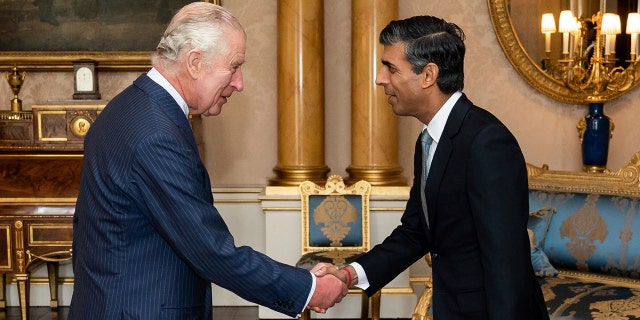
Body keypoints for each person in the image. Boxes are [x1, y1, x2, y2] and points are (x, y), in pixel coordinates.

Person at [68, 3, 346, 319]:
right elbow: (210, 251)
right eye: (234, 66)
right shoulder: (155, 134)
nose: (239, 83)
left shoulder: (129, 107)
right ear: (196, 62)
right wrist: (309, 288)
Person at [316, 16, 549, 319]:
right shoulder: (428, 139)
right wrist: (348, 274)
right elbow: (415, 233)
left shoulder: (486, 142)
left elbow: (507, 263)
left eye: (391, 67)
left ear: (428, 75)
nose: (379, 78)